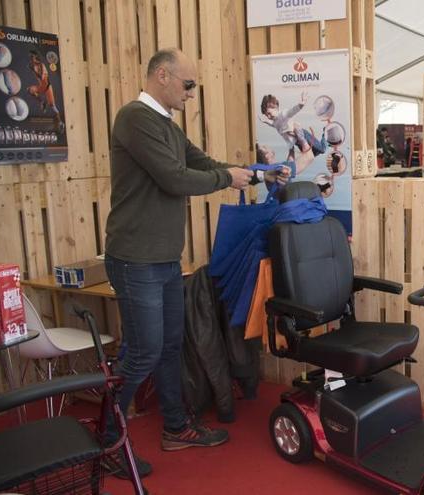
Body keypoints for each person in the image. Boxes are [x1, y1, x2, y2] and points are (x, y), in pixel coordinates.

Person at [103, 48, 286, 478]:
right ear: (162, 76)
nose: (192, 93)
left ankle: (176, 428)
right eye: (189, 85)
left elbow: (201, 162)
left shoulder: (165, 124)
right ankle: (107, 441)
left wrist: (256, 174)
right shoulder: (135, 119)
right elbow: (175, 178)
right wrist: (230, 178)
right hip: (135, 260)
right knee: (143, 352)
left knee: (168, 348)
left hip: (164, 259)